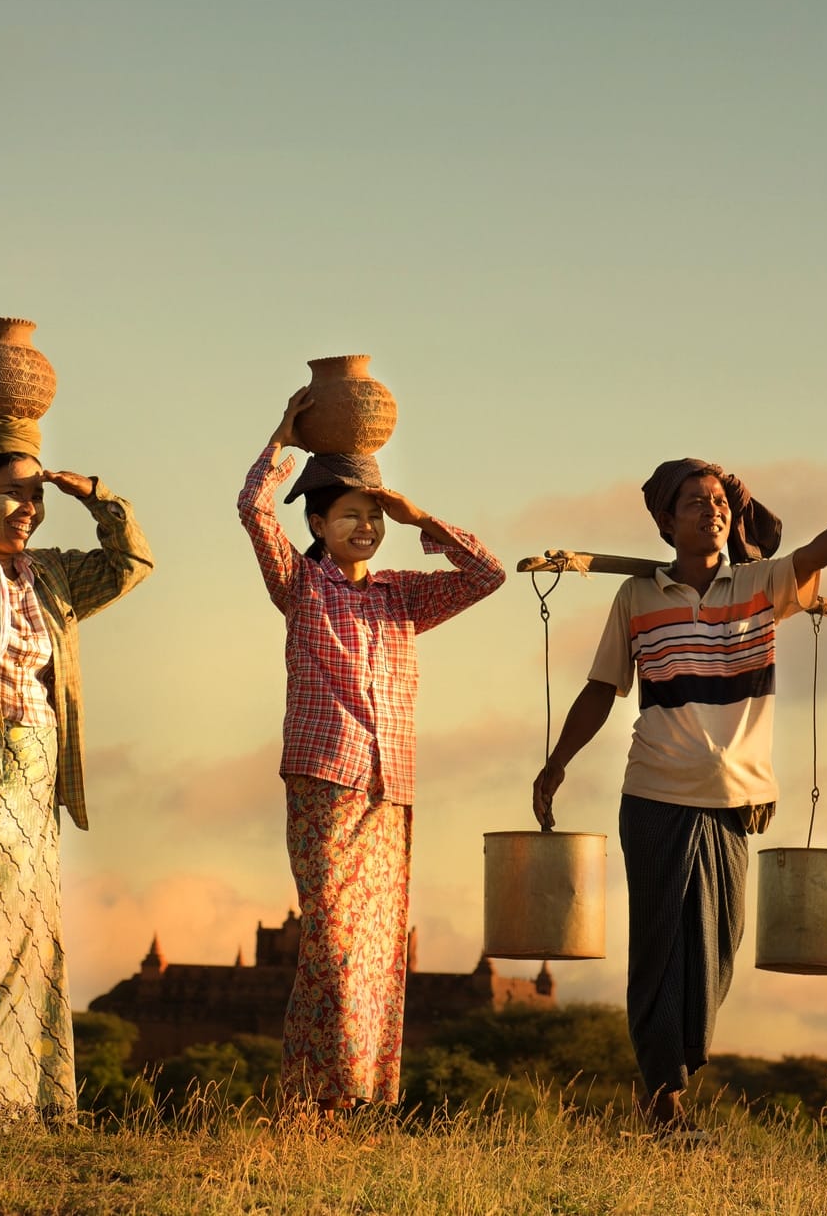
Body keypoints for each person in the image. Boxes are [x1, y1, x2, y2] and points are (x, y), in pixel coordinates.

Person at [530, 458, 827, 1132]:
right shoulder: (637, 599)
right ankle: (664, 1094)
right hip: (656, 789)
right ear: (666, 520)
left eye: (719, 500)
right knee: (659, 945)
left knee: (715, 946)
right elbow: (602, 687)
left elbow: (820, 547)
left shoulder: (760, 586)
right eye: (693, 502)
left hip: (736, 798)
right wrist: (557, 763)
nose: (710, 510)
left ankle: (675, 1072)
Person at [0, 339, 154, 1127]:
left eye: (32, 499)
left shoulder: (52, 577)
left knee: (32, 937)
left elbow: (133, 561)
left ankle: (21, 1104)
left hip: (39, 770)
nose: (25, 509)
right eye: (10, 495)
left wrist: (93, 494)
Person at [237, 387, 506, 1111]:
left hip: (392, 793)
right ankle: (321, 1096)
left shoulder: (402, 596)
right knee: (333, 945)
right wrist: (281, 438)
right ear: (319, 522)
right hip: (327, 782)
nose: (367, 525)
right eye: (352, 513)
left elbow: (487, 574)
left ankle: (359, 1103)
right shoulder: (301, 586)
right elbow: (254, 510)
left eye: (375, 514)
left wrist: (421, 518)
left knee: (381, 953)